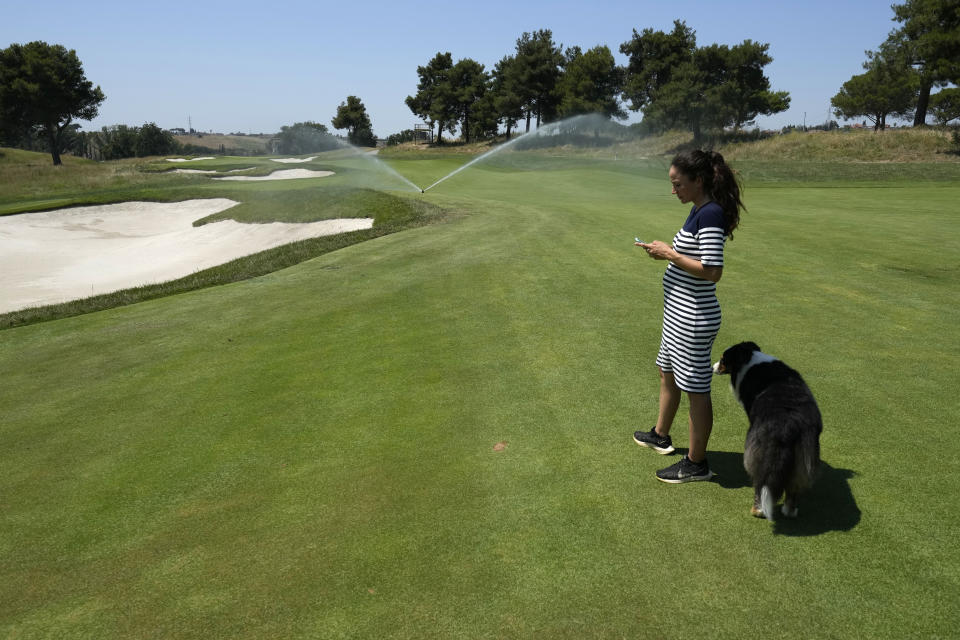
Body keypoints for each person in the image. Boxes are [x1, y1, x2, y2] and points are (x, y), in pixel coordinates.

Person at [633, 149, 744, 483]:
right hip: (678, 314)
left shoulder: (710, 213)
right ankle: (661, 435)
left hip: (693, 318)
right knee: (666, 371)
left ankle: (696, 463)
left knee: (696, 388)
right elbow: (690, 257)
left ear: (698, 181)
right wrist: (666, 253)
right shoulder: (699, 209)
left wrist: (669, 253)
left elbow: (712, 271)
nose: (673, 190)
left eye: (678, 184)